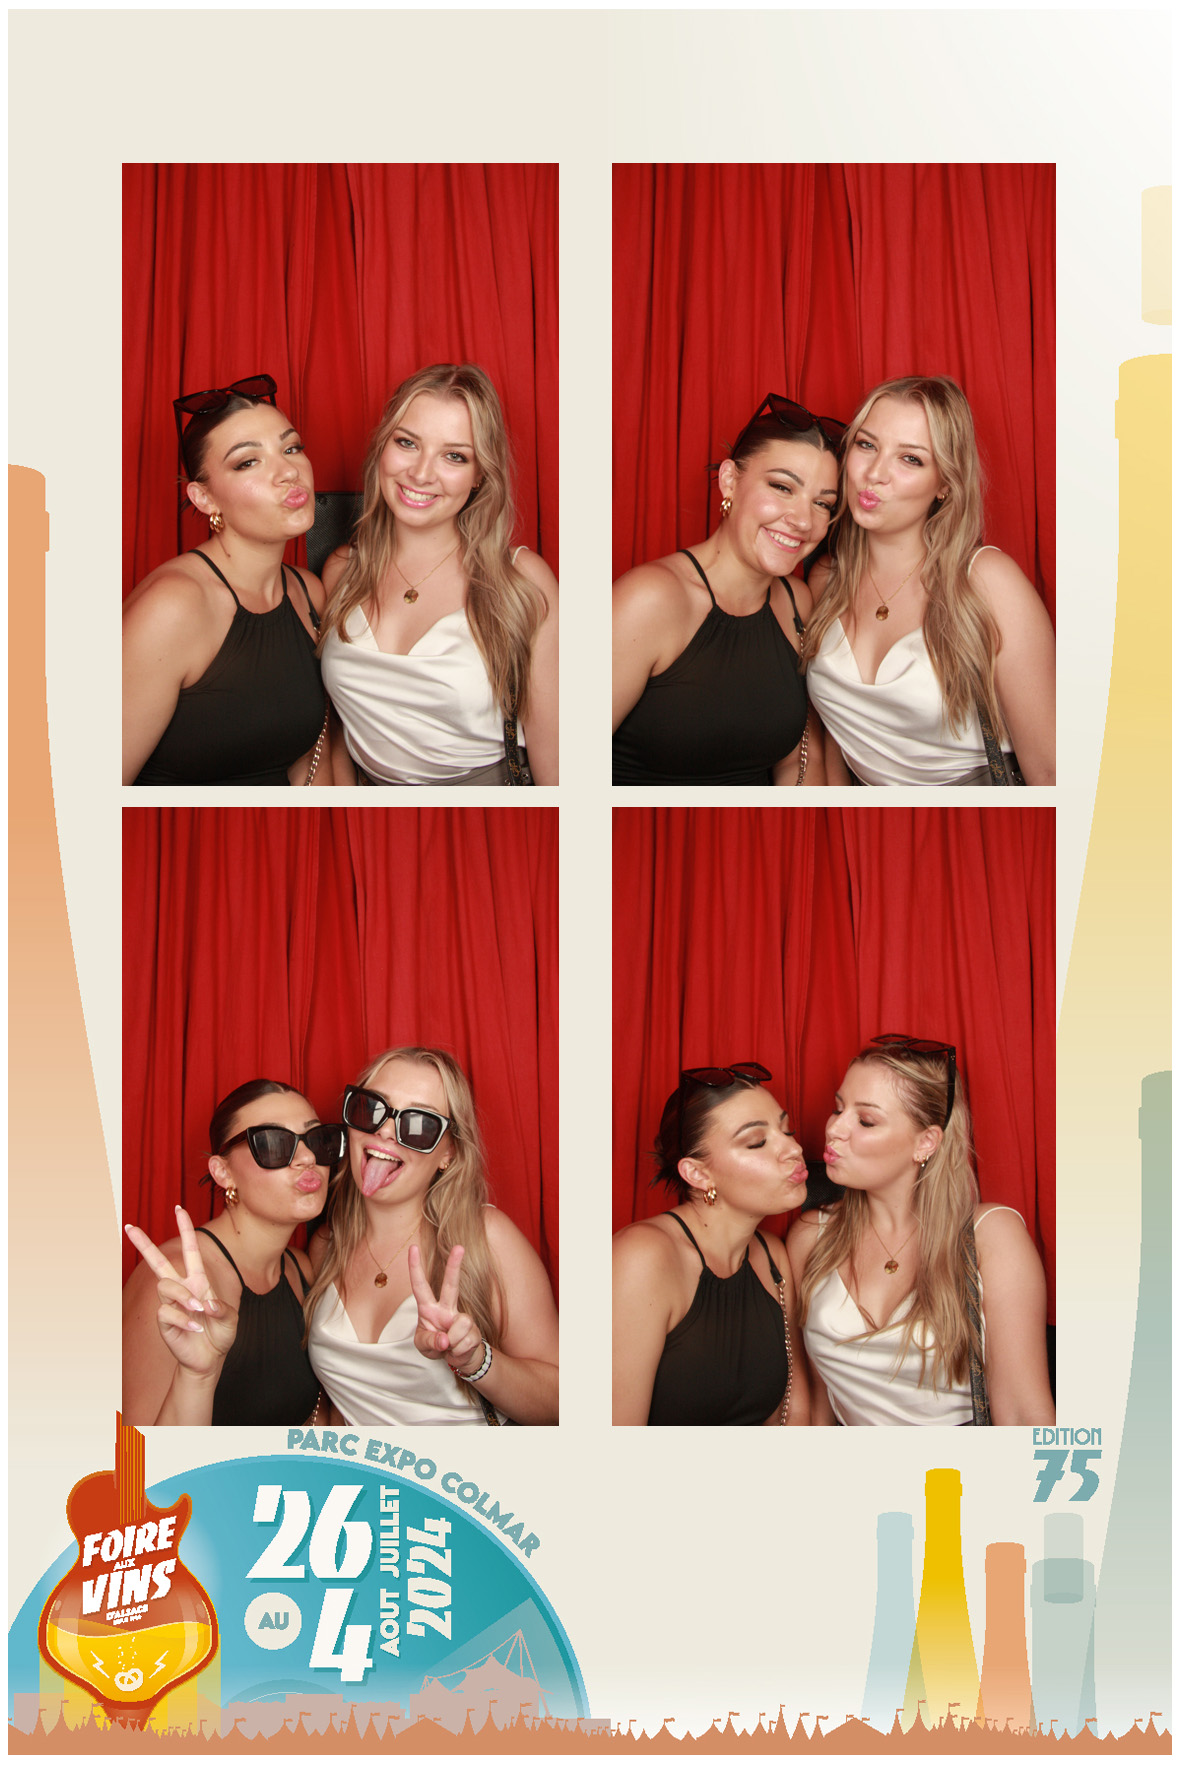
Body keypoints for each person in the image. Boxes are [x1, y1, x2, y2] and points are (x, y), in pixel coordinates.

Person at [786, 1035, 1056, 1426]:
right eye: (837, 1108)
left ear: (926, 1142)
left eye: (865, 1120)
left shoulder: (991, 1236)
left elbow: (1023, 1414)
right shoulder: (810, 1237)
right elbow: (816, 1406)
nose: (833, 1129)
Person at [803, 375, 1056, 785]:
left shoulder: (987, 583)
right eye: (867, 445)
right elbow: (831, 741)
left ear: (944, 484)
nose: (875, 474)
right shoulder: (825, 579)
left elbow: (1049, 770)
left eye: (910, 459)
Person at [319, 364, 558, 785]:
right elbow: (331, 727)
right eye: (407, 442)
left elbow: (558, 760)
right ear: (383, 446)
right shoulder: (342, 570)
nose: (421, 473)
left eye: (454, 456)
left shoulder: (519, 580)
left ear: (480, 474)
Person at [305, 1047, 559, 1425]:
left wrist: (475, 1360)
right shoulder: (326, 1246)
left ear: (448, 1153)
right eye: (370, 1107)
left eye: (419, 1124)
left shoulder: (485, 1239)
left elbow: (560, 1403)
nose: (385, 1131)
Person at [612, 394, 841, 785]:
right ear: (730, 480)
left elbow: (801, 762)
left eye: (822, 503)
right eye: (782, 487)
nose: (803, 520)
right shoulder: (650, 599)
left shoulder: (797, 601)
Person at [123, 374, 332, 786]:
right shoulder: (173, 606)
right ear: (204, 498)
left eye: (291, 448)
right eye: (248, 461)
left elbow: (309, 761)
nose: (288, 471)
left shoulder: (308, 591)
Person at [122, 1079, 345, 1426]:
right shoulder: (172, 1283)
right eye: (274, 1143)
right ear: (223, 1172)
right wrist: (196, 1377)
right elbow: (137, 1456)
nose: (308, 1158)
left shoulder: (302, 1269)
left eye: (316, 1139)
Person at [612, 1062, 811, 1425]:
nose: (794, 1148)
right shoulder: (641, 1258)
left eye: (787, 1130)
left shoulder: (773, 1256)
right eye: (757, 1142)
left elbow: (795, 1411)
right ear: (698, 1173)